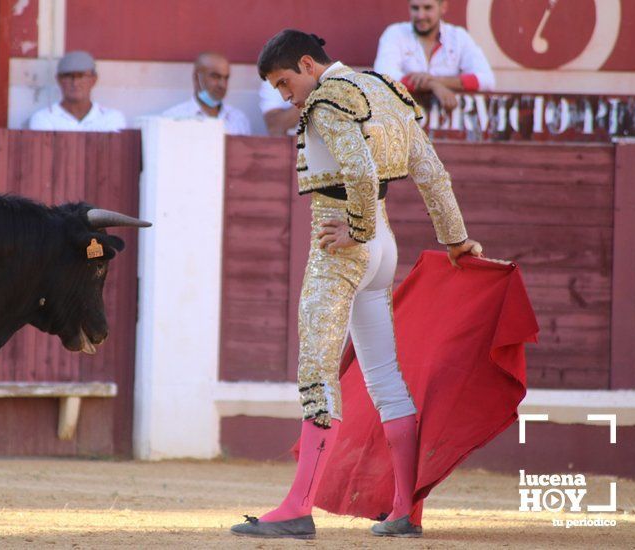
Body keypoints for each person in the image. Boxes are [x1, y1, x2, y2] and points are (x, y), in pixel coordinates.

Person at [230, 29, 482, 540]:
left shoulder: (326, 100)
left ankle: (298, 507)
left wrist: (357, 230)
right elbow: (432, 173)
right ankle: (403, 510)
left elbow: (361, 170)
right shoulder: (386, 88)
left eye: (284, 82)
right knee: (385, 379)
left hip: (341, 246)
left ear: (307, 64)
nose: (284, 96)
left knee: (317, 369)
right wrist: (455, 239)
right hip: (383, 250)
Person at [374, 0, 495, 111]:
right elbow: (382, 78)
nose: (421, 15)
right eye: (415, 8)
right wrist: (432, 85)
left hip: (448, 126)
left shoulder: (458, 37)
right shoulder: (395, 33)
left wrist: (437, 81)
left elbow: (487, 80)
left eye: (428, 8)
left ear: (443, 7)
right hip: (404, 124)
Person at [29, 51, 126, 132]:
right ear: (58, 79)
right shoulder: (44, 118)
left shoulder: (111, 118)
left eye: (81, 76)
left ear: (94, 79)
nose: (75, 83)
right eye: (68, 76)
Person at [162, 52, 251, 135]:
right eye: (215, 77)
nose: (222, 85)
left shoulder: (238, 120)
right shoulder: (174, 118)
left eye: (226, 78)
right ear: (197, 78)